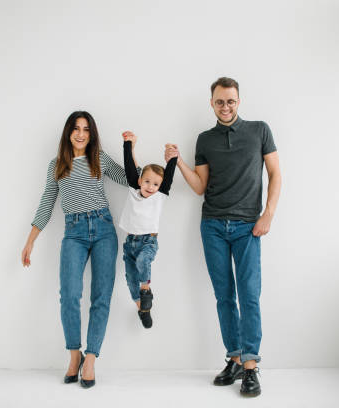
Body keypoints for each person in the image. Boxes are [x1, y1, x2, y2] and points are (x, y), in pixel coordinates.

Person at [165, 77, 281, 397]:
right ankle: (233, 358)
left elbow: (275, 174)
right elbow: (200, 186)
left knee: (249, 295)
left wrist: (268, 214)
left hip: (248, 227)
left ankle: (251, 366)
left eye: (230, 101)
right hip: (213, 226)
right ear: (212, 103)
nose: (225, 107)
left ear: (239, 101)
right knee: (224, 296)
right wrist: (178, 163)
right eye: (219, 102)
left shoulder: (260, 131)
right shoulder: (205, 139)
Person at [21, 111, 133, 389]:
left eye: (86, 129)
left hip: (104, 229)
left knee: (101, 297)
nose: (81, 134)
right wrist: (31, 239)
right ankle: (74, 355)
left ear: (91, 134)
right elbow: (47, 200)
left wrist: (130, 148)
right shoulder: (57, 164)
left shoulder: (100, 159)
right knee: (69, 295)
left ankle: (91, 358)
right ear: (68, 132)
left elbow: (132, 179)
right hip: (74, 232)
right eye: (76, 129)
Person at [117, 131, 177, 329]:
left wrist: (173, 157)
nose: (151, 187)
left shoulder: (160, 196)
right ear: (140, 180)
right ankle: (142, 308)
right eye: (147, 182)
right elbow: (129, 167)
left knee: (143, 261)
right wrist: (128, 144)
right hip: (129, 243)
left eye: (156, 184)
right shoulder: (135, 190)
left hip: (148, 241)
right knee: (130, 280)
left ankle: (146, 290)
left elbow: (168, 175)